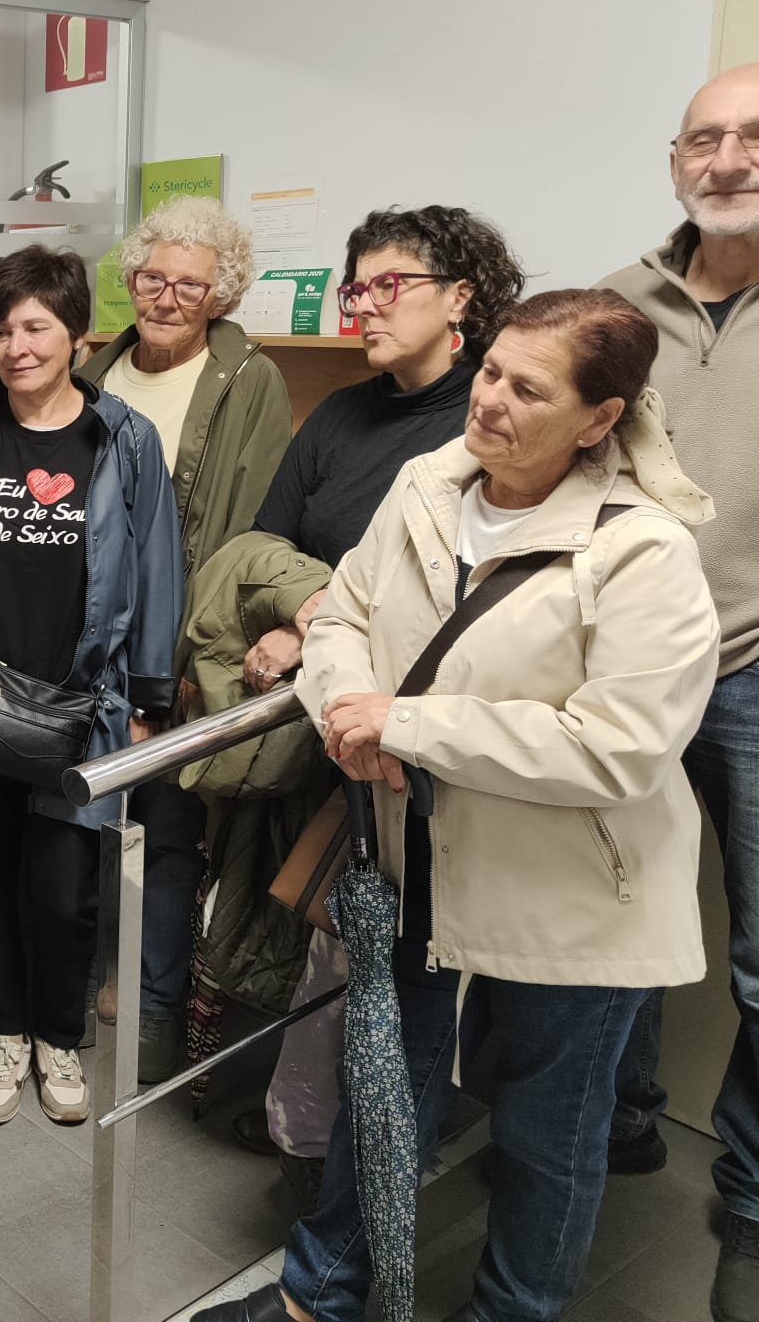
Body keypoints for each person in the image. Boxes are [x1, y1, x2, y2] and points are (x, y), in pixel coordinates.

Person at [196, 288, 719, 1322]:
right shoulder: (427, 483)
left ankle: (511, 1310)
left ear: (600, 419)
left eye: (529, 390)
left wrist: (405, 725)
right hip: (418, 866)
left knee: (545, 1134)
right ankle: (317, 1297)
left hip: (573, 897)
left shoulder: (642, 551)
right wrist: (349, 710)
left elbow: (617, 747)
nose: (490, 400)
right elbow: (341, 616)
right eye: (490, 372)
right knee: (381, 1094)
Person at [234, 205, 524, 1196]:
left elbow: (461, 599)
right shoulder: (340, 415)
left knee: (410, 970)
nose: (362, 305)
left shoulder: (487, 425)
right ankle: (316, 1150)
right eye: (355, 287)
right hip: (332, 712)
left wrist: (317, 623)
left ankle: (368, 1169)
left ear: (461, 298)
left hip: (428, 735)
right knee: (339, 940)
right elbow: (265, 542)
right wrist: (302, 609)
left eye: (387, 285)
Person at [0, 243, 183, 1128]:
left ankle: (58, 1037)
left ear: (76, 336)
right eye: (0, 329)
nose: (16, 347)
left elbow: (157, 567)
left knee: (64, 891)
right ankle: (3, 1034)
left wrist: (149, 700)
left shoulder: (123, 440)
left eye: (35, 328)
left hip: (83, 704)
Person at [600, 60, 759, 1322]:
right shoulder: (618, 300)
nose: (725, 160)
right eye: (701, 139)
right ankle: (614, 1126)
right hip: (626, 674)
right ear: (673, 162)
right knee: (609, 924)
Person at [76, 195, 291, 1078]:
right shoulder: (95, 369)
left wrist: (190, 660)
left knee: (167, 833)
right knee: (83, 819)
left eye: (190, 285)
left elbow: (244, 529)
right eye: (151, 278)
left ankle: (154, 1004)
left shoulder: (249, 381)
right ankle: (86, 979)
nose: (166, 298)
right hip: (87, 643)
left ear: (221, 294)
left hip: (174, 644)